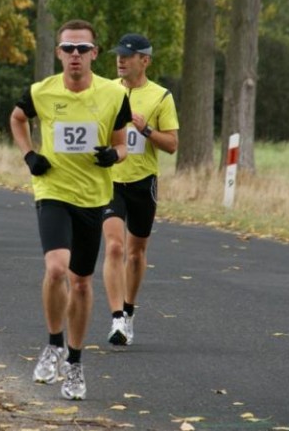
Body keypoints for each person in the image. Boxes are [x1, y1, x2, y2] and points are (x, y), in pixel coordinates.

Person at [9, 19, 131, 400]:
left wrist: (116, 154)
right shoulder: (41, 91)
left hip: (94, 196)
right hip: (53, 190)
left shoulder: (113, 93)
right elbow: (16, 118)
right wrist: (30, 154)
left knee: (81, 281)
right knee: (56, 268)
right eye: (68, 49)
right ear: (58, 53)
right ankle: (53, 344)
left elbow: (122, 141)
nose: (74, 55)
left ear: (94, 53)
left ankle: (75, 365)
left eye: (82, 49)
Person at [102, 34, 179, 346]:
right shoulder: (105, 90)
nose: (120, 60)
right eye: (118, 55)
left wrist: (145, 128)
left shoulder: (161, 97)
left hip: (143, 182)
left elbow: (172, 145)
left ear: (144, 61)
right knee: (114, 248)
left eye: (127, 56)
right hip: (109, 181)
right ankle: (117, 318)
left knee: (135, 253)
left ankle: (129, 311)